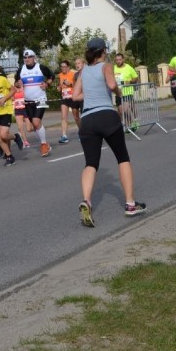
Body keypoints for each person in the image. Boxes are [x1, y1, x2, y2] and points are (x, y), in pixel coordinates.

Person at [72, 37, 145, 227]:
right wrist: (119, 94)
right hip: (106, 116)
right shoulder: (106, 66)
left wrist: (91, 91)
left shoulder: (83, 71)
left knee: (91, 163)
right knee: (122, 158)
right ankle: (130, 204)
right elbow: (112, 85)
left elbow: (74, 96)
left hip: (87, 119)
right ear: (103, 51)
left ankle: (86, 200)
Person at [16, 49, 54, 157]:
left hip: (40, 99)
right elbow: (16, 82)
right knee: (34, 125)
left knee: (36, 122)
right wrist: (18, 84)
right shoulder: (21, 70)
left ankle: (43, 144)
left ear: (34, 58)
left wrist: (47, 84)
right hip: (28, 101)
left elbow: (52, 77)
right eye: (25, 57)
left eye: (29, 57)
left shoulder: (41, 68)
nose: (27, 59)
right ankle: (46, 144)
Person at [113, 53, 139, 130]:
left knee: (126, 109)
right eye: (116, 60)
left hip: (127, 92)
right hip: (118, 93)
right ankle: (129, 125)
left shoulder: (128, 67)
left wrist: (129, 81)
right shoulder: (114, 68)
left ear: (123, 59)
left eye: (120, 59)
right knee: (121, 111)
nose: (118, 61)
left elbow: (135, 78)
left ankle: (133, 123)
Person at [57, 60, 79, 143]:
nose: (63, 68)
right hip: (65, 98)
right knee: (63, 117)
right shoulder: (60, 75)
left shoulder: (73, 74)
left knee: (76, 117)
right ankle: (64, 136)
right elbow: (59, 87)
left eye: (64, 66)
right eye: (61, 67)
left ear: (68, 67)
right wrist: (59, 87)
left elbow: (78, 85)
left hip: (73, 97)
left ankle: (82, 132)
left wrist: (70, 83)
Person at [12, 78, 32, 148]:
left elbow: (29, 97)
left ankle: (33, 125)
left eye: (20, 82)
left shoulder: (24, 88)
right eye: (17, 82)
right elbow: (11, 99)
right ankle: (25, 141)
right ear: (15, 83)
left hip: (25, 109)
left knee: (29, 129)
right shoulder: (13, 90)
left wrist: (26, 102)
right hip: (18, 110)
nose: (19, 83)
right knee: (20, 127)